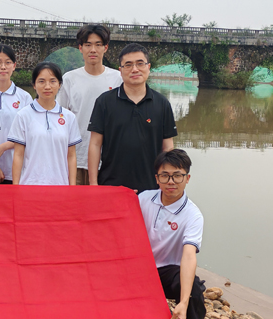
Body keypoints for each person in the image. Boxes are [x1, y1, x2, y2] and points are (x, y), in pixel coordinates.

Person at [138, 149, 208, 319]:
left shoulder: (193, 215)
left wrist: (183, 302)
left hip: (165, 273)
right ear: (156, 178)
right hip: (138, 269)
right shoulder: (143, 199)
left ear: (187, 178)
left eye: (177, 175)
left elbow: (189, 256)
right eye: (165, 175)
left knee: (192, 285)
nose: (171, 181)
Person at [88, 43, 177, 193]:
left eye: (140, 64)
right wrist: (93, 185)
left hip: (151, 188)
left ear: (148, 67)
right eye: (128, 65)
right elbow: (95, 144)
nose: (135, 69)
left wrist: (166, 182)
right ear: (120, 71)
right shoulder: (104, 102)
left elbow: (167, 148)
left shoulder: (162, 103)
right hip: (111, 186)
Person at [57, 24, 122, 185]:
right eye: (88, 45)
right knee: (74, 200)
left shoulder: (118, 79)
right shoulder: (69, 79)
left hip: (108, 160)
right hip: (75, 157)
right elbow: (59, 118)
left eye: (98, 44)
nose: (93, 50)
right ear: (80, 48)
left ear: (105, 48)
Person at [9, 62, 81, 185]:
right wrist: (15, 187)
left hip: (60, 185)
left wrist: (72, 187)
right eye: (41, 81)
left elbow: (71, 155)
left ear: (59, 84)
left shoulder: (69, 117)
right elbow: (18, 155)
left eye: (52, 81)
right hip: (30, 185)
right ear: (34, 85)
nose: (47, 86)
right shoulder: (23, 115)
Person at [0, 44, 33, 183]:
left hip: (15, 169)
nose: (3, 67)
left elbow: (29, 133)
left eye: (8, 62)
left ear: (14, 66)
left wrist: (3, 147)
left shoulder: (24, 97)